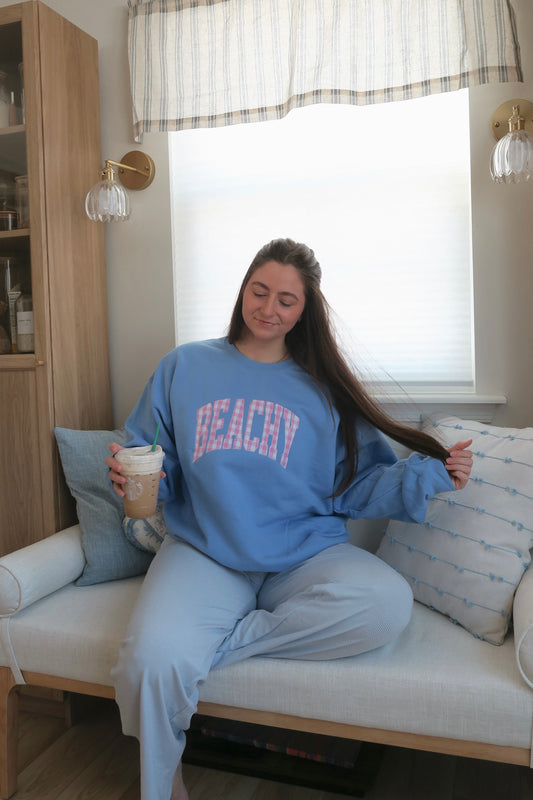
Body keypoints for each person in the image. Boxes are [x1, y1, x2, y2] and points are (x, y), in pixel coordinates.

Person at [106, 238, 473, 800]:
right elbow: (156, 460)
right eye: (259, 291)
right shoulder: (185, 365)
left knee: (386, 605)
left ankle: (209, 643)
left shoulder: (323, 389)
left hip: (304, 555)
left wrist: (433, 475)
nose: (268, 309)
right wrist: (136, 479)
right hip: (206, 553)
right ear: (243, 289)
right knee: (149, 663)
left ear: (305, 310)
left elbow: (359, 483)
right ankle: (165, 782)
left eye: (286, 299)